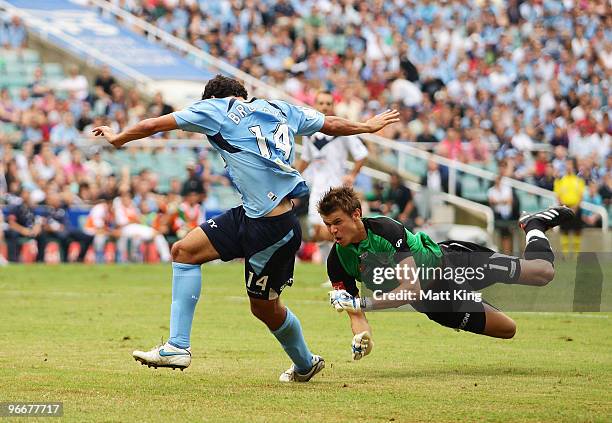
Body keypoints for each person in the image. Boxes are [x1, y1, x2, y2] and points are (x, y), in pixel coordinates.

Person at [92, 74, 400, 382]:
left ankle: (305, 364)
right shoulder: (279, 108)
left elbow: (155, 124)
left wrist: (119, 138)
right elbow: (328, 123)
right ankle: (177, 346)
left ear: (212, 98)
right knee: (184, 251)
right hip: (254, 215)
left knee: (265, 309)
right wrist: (365, 126)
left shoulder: (217, 109)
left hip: (272, 231)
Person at [319, 187, 573, 360]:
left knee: (543, 273)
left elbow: (410, 288)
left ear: (356, 215)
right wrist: (363, 338)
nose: (332, 231)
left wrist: (361, 302)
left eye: (337, 222)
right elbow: (355, 313)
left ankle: (534, 224)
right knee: (508, 329)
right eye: (328, 224)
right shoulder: (337, 262)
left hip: (452, 263)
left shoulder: (386, 229)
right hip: (434, 302)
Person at [294, 90, 368, 251]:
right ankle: (331, 269)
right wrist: (293, 176)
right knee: (317, 231)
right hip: (316, 188)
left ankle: (342, 266)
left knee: (332, 230)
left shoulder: (341, 130)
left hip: (336, 187)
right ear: (315, 105)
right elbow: (306, 158)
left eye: (328, 103)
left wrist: (352, 175)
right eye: (321, 103)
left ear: (333, 106)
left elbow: (361, 154)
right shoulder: (309, 131)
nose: (324, 107)